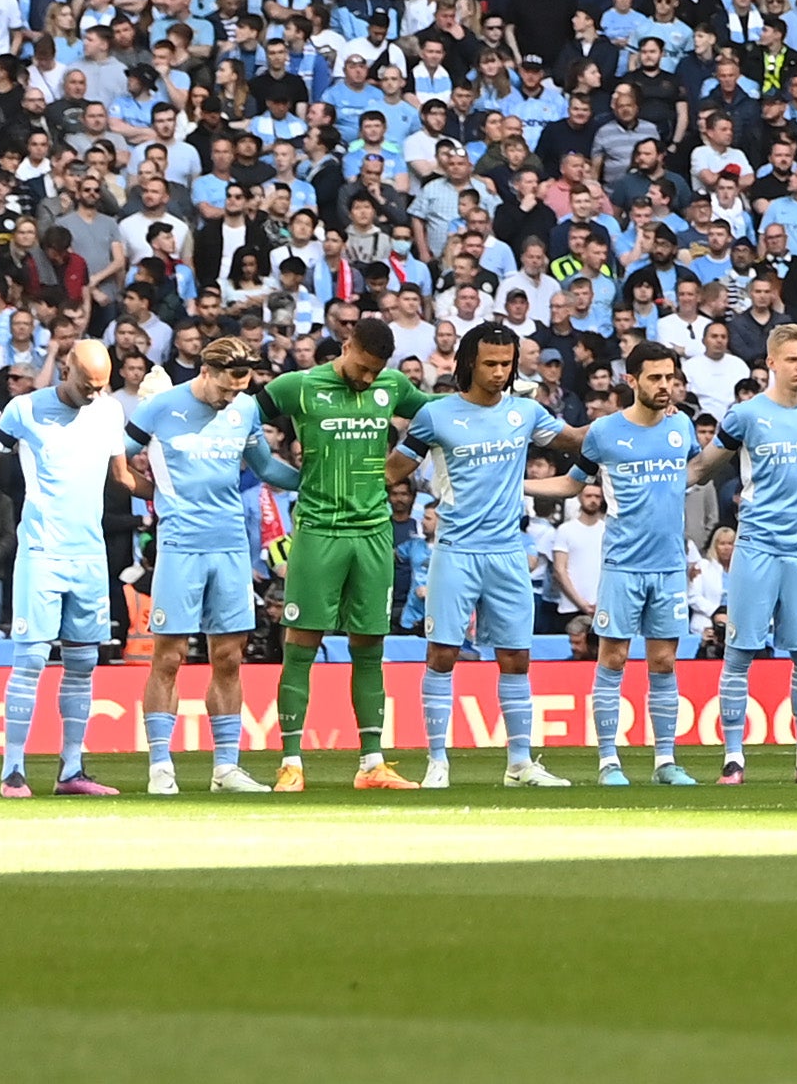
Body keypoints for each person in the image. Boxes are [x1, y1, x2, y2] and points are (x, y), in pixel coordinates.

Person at [400, 321, 579, 788]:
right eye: (491, 364)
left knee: (516, 657)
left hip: (507, 553)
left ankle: (520, 763)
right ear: (468, 363)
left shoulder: (526, 412)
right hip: (456, 550)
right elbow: (393, 469)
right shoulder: (435, 415)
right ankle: (437, 761)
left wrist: (630, 424)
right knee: (442, 653)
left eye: (506, 364)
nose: (500, 372)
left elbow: (577, 440)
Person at [258, 314, 431, 793]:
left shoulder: (392, 386)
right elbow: (241, 420)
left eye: (378, 371)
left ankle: (372, 763)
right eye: (364, 366)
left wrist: (405, 461)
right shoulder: (298, 385)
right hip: (318, 530)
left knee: (369, 647)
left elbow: (439, 415)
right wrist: (272, 471)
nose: (370, 378)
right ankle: (290, 762)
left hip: (373, 532)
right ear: (346, 343)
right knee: (301, 644)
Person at [704, 320, 797, 783]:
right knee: (740, 653)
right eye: (792, 359)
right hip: (757, 547)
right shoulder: (745, 415)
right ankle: (733, 758)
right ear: (770, 362)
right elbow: (705, 465)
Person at [124, 334, 277, 795]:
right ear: (205, 372)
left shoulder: (246, 408)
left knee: (229, 657)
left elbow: (266, 468)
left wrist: (316, 483)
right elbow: (119, 461)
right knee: (168, 657)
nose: (232, 397)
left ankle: (226, 768)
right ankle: (160, 767)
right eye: (226, 389)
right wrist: (160, 498)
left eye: (240, 389)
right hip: (180, 548)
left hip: (230, 547)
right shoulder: (158, 407)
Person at [0, 337, 134, 800]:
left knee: (83, 662)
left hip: (90, 556)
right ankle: (13, 771)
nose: (94, 394)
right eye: (88, 384)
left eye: (102, 386)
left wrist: (170, 494)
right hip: (42, 552)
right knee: (31, 658)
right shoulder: (24, 410)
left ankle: (71, 769)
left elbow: (123, 476)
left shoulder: (110, 411)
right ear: (66, 368)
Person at [578, 347, 705, 787]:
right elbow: (573, 482)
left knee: (665, 662)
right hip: (622, 564)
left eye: (669, 377)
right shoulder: (604, 432)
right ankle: (608, 761)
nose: (664, 386)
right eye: (654, 378)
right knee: (612, 658)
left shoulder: (682, 426)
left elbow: (689, 472)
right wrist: (517, 485)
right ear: (632, 381)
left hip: (669, 565)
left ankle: (665, 761)